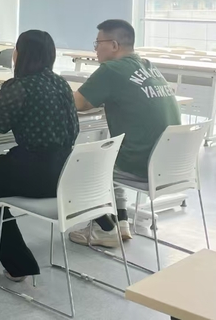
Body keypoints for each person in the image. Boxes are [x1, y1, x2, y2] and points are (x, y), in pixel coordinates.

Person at [0, 30, 79, 281]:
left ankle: (15, 260)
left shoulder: (20, 86)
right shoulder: (60, 83)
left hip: (37, 174)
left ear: (20, 54)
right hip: (65, 171)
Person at [69, 19, 181, 248]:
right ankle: (121, 222)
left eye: (97, 43)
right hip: (173, 165)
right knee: (112, 150)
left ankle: (104, 229)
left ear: (113, 45)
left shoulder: (112, 70)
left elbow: (78, 103)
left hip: (142, 165)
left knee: (80, 163)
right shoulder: (148, 65)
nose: (95, 49)